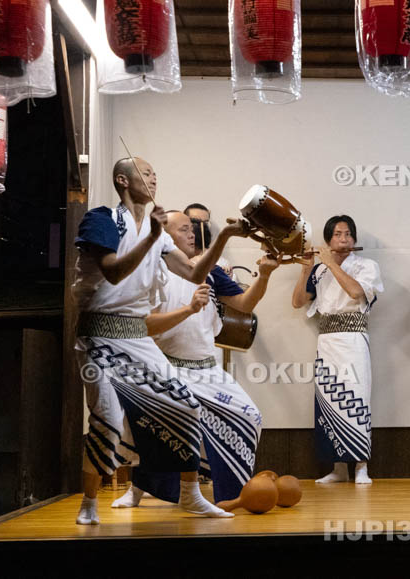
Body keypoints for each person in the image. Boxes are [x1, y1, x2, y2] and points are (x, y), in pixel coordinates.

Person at [72, 157, 248, 524]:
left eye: (156, 173)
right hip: (99, 334)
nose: (154, 177)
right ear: (123, 180)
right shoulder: (101, 219)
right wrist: (152, 236)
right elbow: (114, 272)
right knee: (106, 416)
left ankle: (190, 494)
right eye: (146, 172)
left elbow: (195, 270)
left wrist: (226, 237)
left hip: (137, 336)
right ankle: (89, 502)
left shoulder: (161, 236)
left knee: (185, 404)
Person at [111, 211, 279, 509]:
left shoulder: (211, 272)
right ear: (166, 238)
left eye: (194, 229)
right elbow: (145, 324)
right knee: (154, 426)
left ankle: (232, 493)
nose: (192, 234)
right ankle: (138, 489)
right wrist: (188, 309)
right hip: (167, 367)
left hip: (207, 369)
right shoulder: (152, 273)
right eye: (185, 229)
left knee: (250, 417)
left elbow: (244, 304)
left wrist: (265, 275)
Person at [292, 215, 383, 485]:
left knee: (357, 399)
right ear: (328, 240)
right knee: (330, 401)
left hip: (354, 339)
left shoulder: (367, 265)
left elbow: (356, 293)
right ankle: (338, 468)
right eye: (337, 235)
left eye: (348, 235)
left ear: (354, 239)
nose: (343, 240)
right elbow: (298, 302)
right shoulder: (319, 271)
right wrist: (306, 268)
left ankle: (361, 467)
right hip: (327, 341)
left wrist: (330, 263)